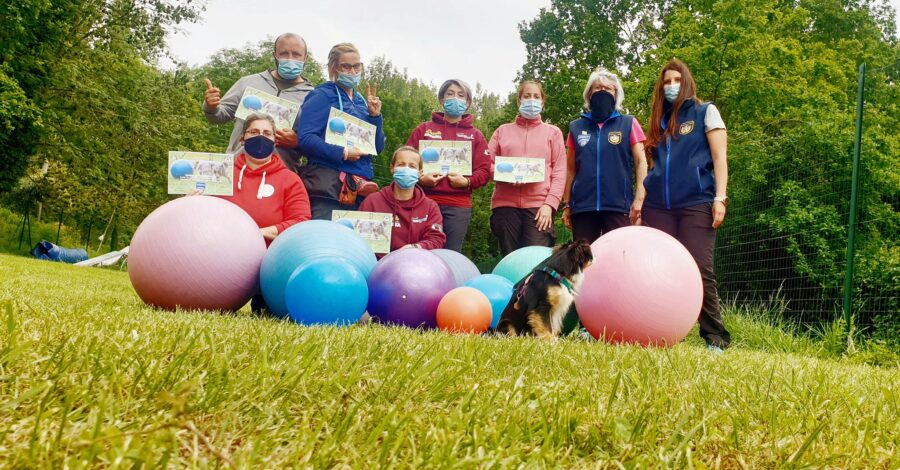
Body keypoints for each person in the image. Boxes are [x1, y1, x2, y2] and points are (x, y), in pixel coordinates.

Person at [642, 59, 732, 352]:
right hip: (658, 207)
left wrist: (720, 198)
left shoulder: (706, 112)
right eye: (666, 82)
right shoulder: (659, 120)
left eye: (676, 80)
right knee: (659, 270)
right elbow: (653, 163)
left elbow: (720, 158)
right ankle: (658, 331)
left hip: (697, 203)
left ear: (687, 82)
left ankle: (715, 338)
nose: (671, 86)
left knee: (700, 267)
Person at [295, 43, 385, 220]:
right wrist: (342, 152)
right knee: (325, 240)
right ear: (334, 68)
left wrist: (375, 116)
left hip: (359, 187)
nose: (352, 71)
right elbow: (305, 138)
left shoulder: (361, 101)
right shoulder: (321, 95)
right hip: (328, 187)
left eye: (356, 65)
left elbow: (377, 147)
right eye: (346, 66)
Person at [202, 33, 314, 173]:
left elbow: (317, 145)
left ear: (305, 57)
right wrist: (211, 107)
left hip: (281, 177)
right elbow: (218, 117)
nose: (290, 59)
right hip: (237, 169)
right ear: (275, 55)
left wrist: (298, 142)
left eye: (296, 54)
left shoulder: (312, 96)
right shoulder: (248, 82)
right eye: (284, 53)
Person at [561, 68, 648, 244]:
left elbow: (641, 162)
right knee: (583, 263)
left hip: (619, 206)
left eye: (608, 89)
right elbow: (570, 169)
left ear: (616, 94)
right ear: (589, 93)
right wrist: (567, 205)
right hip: (583, 207)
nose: (602, 92)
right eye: (598, 88)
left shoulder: (629, 123)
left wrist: (639, 199)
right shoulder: (576, 127)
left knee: (618, 259)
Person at [405, 79, 491, 252]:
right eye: (450, 94)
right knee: (420, 252)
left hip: (458, 206)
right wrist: (420, 178)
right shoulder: (423, 130)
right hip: (424, 201)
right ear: (441, 99)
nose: (455, 99)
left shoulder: (476, 136)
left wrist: (466, 182)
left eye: (461, 95)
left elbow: (484, 171)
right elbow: (406, 160)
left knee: (450, 255)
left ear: (467, 103)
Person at [487, 80, 566, 255]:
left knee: (534, 259)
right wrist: (505, 174)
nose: (532, 100)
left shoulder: (553, 133)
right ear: (519, 101)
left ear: (542, 102)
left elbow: (560, 173)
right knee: (509, 258)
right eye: (527, 96)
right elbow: (486, 165)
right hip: (505, 205)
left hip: (539, 206)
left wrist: (550, 205)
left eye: (536, 96)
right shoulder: (502, 131)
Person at [214, 113, 311, 244]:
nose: (260, 137)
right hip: (221, 251)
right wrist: (192, 200)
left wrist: (260, 233)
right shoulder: (220, 173)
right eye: (254, 132)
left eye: (267, 133)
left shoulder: (290, 180)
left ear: (275, 141)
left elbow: (301, 221)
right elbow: (203, 213)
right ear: (242, 139)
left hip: (269, 257)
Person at [359, 146, 446, 255]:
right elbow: (359, 238)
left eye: (412, 166)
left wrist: (416, 247)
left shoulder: (430, 207)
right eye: (401, 164)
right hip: (377, 267)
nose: (406, 169)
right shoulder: (372, 201)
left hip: (413, 265)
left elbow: (436, 239)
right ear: (392, 168)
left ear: (420, 173)